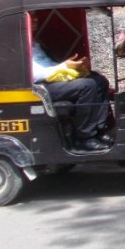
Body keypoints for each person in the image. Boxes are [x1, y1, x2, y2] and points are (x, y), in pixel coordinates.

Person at [30, 14, 112, 153]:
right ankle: (85, 137)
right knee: (87, 86)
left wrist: (71, 66)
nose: (35, 21)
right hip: (38, 87)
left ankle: (100, 129)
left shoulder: (34, 43)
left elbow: (47, 65)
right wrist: (63, 66)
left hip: (51, 79)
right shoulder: (18, 44)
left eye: (36, 18)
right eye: (31, 18)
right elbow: (35, 74)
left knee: (98, 79)